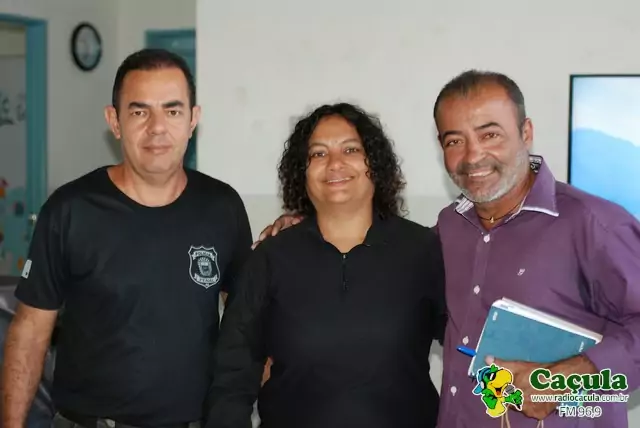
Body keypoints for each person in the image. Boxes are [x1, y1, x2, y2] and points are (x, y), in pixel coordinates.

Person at [255, 71, 640, 428]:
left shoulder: (594, 224)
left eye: (490, 135)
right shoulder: (450, 227)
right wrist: (305, 227)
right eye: (455, 141)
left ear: (526, 133)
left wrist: (568, 380)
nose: (473, 156)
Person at [1, 48, 253, 428]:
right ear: (114, 121)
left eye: (172, 111)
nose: (157, 127)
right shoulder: (70, 210)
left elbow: (247, 324)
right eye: (139, 112)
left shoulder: (223, 207)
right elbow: (30, 330)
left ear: (192, 120)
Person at [205, 103, 446, 428]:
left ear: (375, 164)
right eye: (318, 153)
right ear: (301, 172)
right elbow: (232, 373)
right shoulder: (270, 257)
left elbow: (467, 342)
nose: (334, 163)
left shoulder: (423, 251)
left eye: (351, 149)